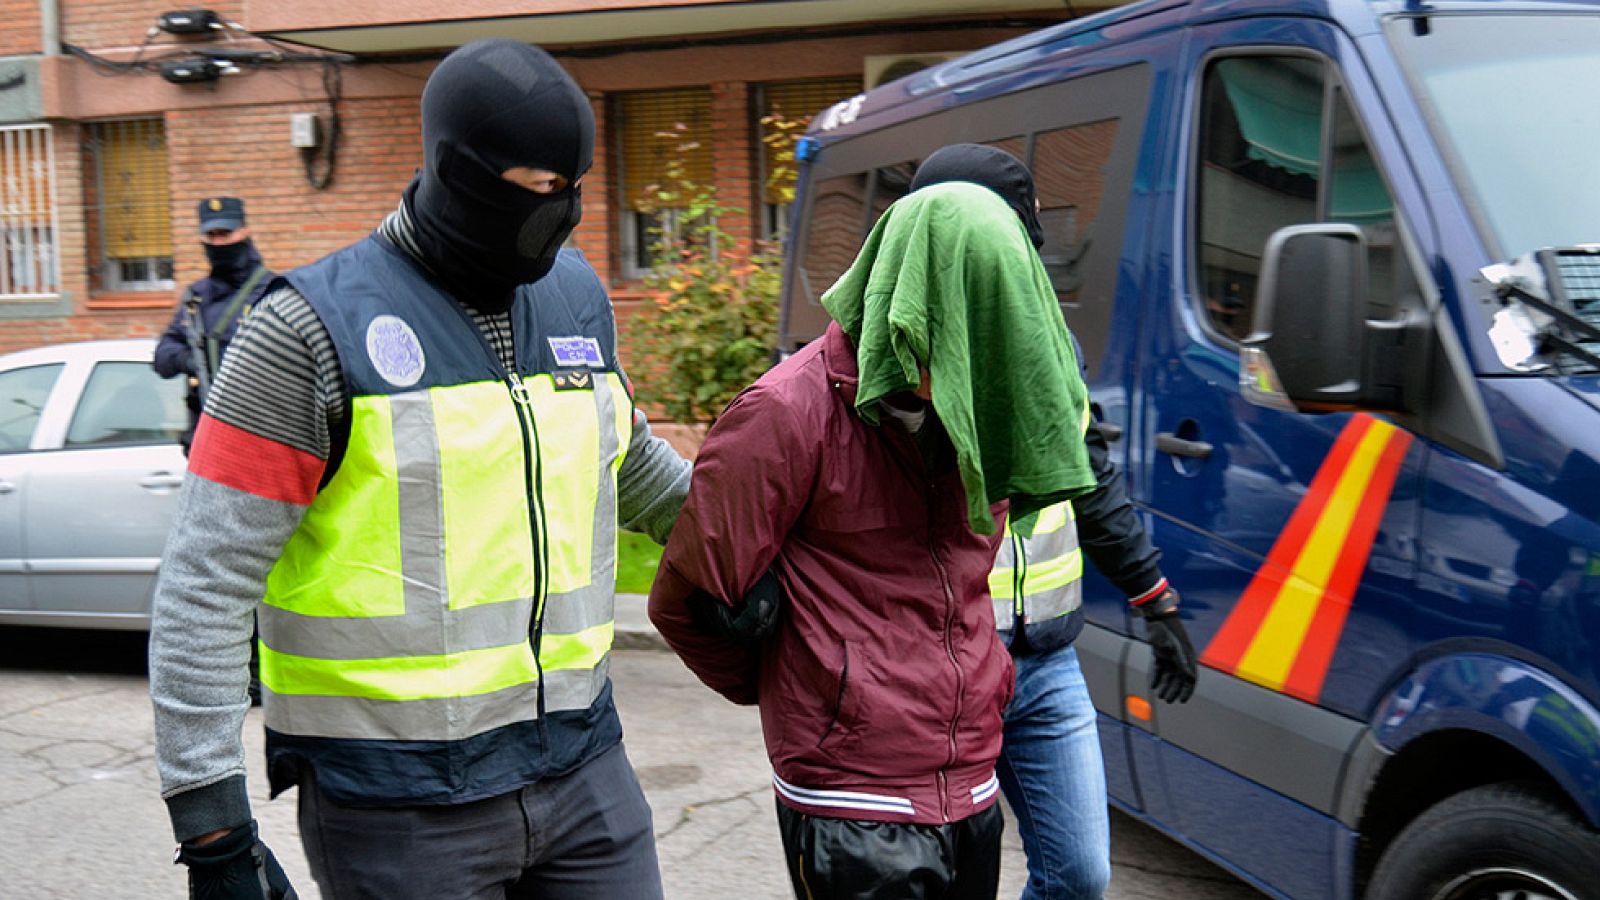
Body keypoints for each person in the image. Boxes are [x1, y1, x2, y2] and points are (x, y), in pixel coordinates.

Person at [149, 40, 690, 900]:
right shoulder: (304, 333)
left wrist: (766, 539)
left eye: (571, 187)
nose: (559, 211)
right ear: (453, 169)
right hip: (397, 808)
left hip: (584, 771)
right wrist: (212, 825)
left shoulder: (577, 297)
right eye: (533, 187)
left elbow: (633, 466)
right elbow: (203, 587)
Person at [650, 180, 1098, 899]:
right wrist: (810, 698)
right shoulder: (784, 415)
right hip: (849, 796)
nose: (974, 362)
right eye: (959, 334)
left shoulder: (978, 408)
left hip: (970, 782)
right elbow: (687, 603)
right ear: (908, 309)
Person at [909, 144, 1198, 900]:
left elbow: (1089, 479)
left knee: (1079, 875)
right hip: (936, 668)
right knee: (931, 881)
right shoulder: (892, 358)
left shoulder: (1051, 348)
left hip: (1044, 663)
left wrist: (1153, 597)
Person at [153, 196, 274, 455]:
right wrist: (189, 360)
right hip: (206, 444)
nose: (219, 243)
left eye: (226, 234)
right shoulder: (196, 298)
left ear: (245, 231)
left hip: (262, 438)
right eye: (211, 236)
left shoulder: (273, 292)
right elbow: (161, 357)